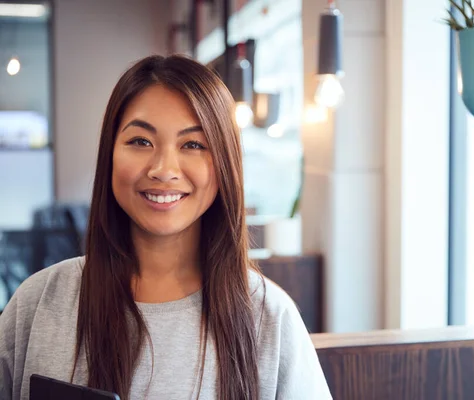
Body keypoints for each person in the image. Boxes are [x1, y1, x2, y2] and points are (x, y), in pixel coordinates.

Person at [0, 55, 331, 400]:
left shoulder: (269, 319)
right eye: (140, 141)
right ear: (109, 154)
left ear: (224, 165)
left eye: (193, 144)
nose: (163, 169)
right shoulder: (37, 303)